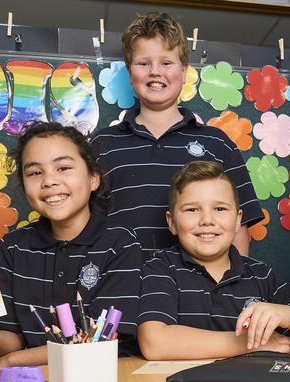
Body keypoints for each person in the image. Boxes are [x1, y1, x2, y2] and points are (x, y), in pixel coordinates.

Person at [0, 122, 142, 373]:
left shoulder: (120, 244)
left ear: (93, 179)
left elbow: (98, 343)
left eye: (64, 168)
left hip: (101, 378)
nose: (49, 181)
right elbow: (10, 341)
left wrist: (8, 362)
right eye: (35, 173)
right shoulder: (14, 248)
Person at [90, 12, 262, 259]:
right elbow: (87, 226)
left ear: (183, 71)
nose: (155, 72)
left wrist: (233, 291)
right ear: (129, 73)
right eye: (143, 63)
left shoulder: (217, 143)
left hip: (201, 292)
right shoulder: (103, 144)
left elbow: (237, 228)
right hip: (121, 286)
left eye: (166, 63)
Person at [138, 161, 290, 359]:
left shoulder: (261, 276)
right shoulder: (161, 268)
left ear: (238, 220)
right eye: (192, 210)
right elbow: (154, 343)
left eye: (220, 209)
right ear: (171, 222)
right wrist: (250, 343)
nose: (207, 220)